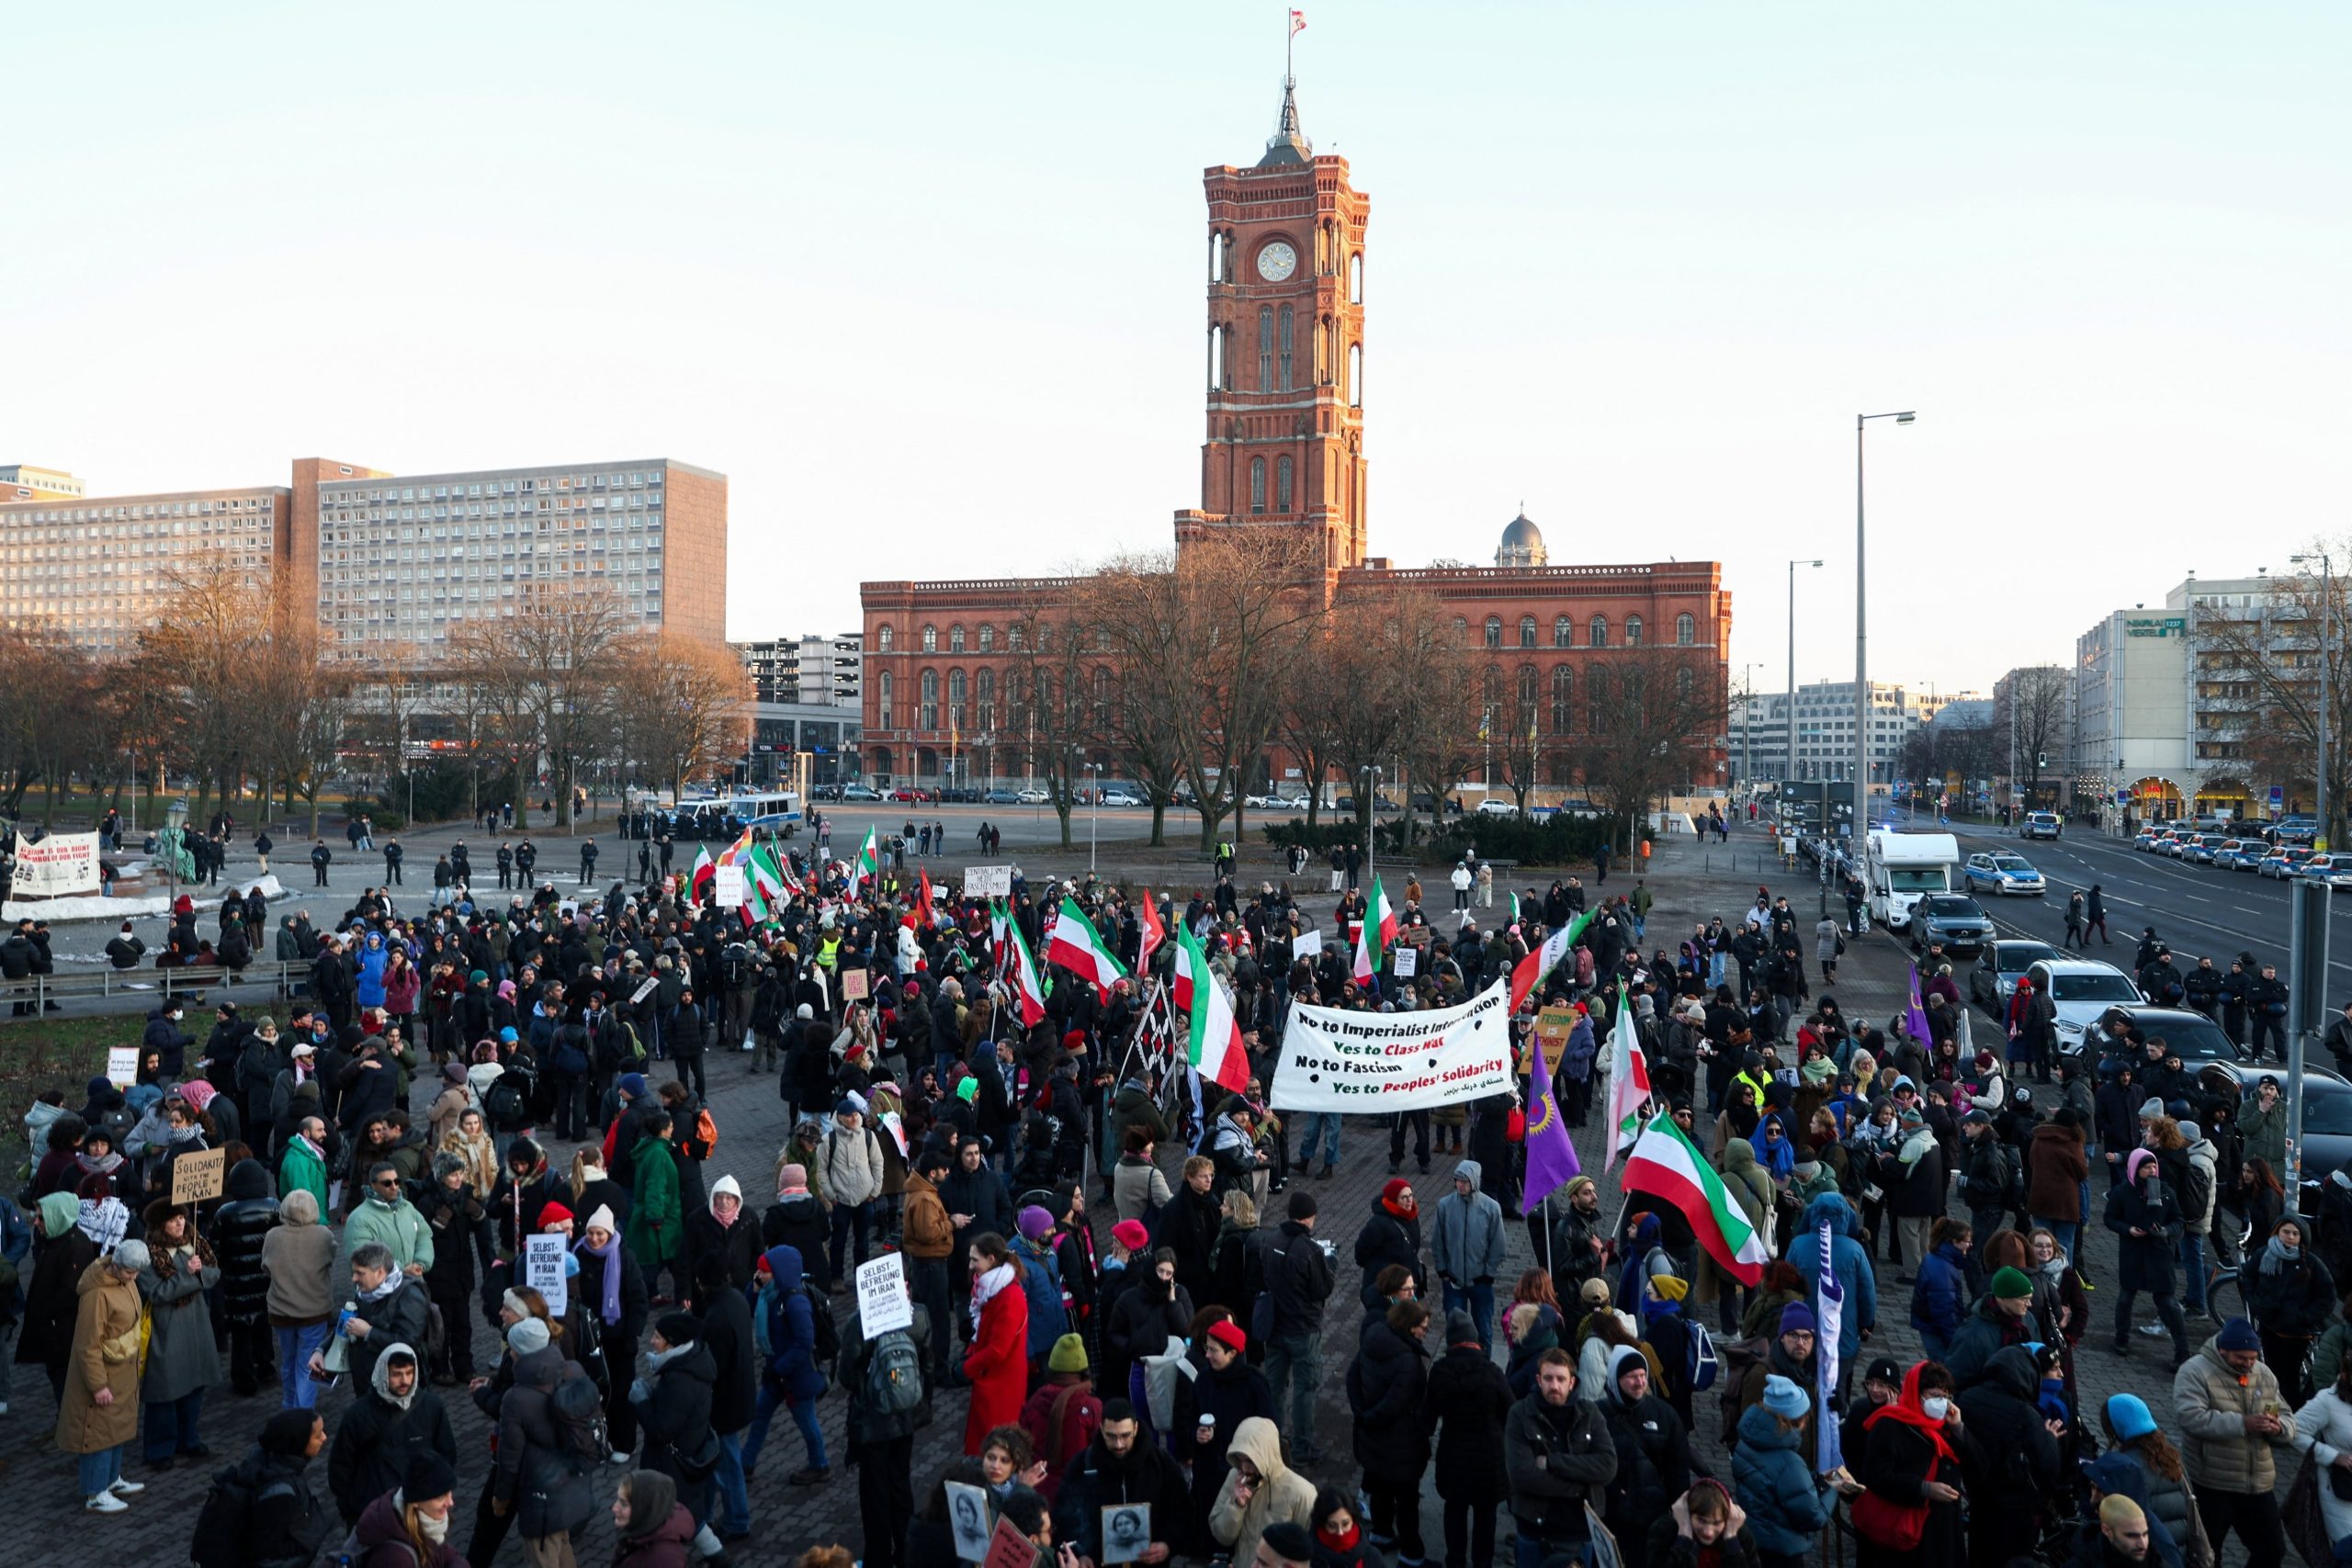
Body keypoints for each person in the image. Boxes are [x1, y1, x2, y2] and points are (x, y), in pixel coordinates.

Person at [2175, 1316, 2296, 1568]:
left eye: (2253, 1358)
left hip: (2257, 1483)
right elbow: (2191, 1418)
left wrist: (2279, 1428)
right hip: (2212, 1482)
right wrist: (2243, 1424)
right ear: (2223, 1350)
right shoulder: (2195, 1371)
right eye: (2241, 1358)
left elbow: (2282, 1411)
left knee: (2273, 1550)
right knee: (2207, 1555)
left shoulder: (2263, 1373)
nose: (2249, 1364)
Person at [837, 1267, 934, 1568]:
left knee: (874, 1492)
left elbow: (846, 1375)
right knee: (900, 1483)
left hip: (872, 1422)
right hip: (906, 1417)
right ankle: (906, 1552)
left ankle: (878, 1558)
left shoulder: (860, 1322)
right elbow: (928, 1366)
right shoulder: (919, 1315)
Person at [490, 1316, 597, 1568]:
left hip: (539, 1492)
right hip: (571, 1480)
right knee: (562, 1546)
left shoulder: (516, 1399)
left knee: (543, 1555)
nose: (510, 1352)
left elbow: (509, 1458)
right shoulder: (573, 1370)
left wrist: (501, 1497)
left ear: (519, 1352)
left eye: (512, 1348)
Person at [631, 1312, 737, 1568]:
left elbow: (661, 1429)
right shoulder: (689, 1364)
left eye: (657, 1337)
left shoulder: (680, 1380)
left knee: (668, 1511)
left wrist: (642, 1402)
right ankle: (718, 1557)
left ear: (672, 1343)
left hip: (671, 1462)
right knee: (686, 1510)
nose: (652, 1341)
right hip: (686, 1453)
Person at [1053, 1396, 1199, 1565]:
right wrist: (1080, 1554)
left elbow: (1183, 1512)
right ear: (1101, 1429)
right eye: (1111, 1436)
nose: (1119, 1444)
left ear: (1135, 1428)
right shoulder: (1082, 1466)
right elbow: (1065, 1519)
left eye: (1125, 1436)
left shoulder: (1160, 1464)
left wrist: (1168, 1545)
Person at [1505, 1349, 1616, 1568]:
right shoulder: (1521, 1414)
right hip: (1536, 1530)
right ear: (1539, 1380)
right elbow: (1522, 1475)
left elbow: (1607, 1466)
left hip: (1580, 1531)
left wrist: (1552, 1462)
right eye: (1548, 1378)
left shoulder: (1590, 1414)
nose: (1554, 1385)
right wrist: (1581, 1486)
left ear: (1571, 1382)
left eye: (1561, 1379)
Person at [61, 1238, 149, 1513]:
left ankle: (111, 1479)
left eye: (136, 1273)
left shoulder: (124, 1281)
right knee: (98, 1432)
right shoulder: (97, 1295)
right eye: (130, 1272)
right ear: (117, 1266)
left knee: (116, 1428)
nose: (134, 1278)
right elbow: (87, 1345)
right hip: (104, 1375)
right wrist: (98, 1384)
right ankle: (95, 1492)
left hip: (121, 1373)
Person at [1423, 1303, 1513, 1568]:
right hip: (1489, 1458)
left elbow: (1427, 1418)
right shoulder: (1492, 1372)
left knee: (1454, 1511)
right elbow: (1510, 1410)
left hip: (1454, 1456)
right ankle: (1482, 1562)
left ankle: (1455, 1561)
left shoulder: (1440, 1372)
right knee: (1486, 1514)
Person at [326, 1344, 458, 1526]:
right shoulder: (358, 1414)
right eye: (396, 1374)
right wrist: (352, 1508)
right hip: (376, 1514)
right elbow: (340, 1467)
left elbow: (446, 1455)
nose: (405, 1381)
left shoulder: (431, 1406)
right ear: (383, 1373)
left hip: (420, 1511)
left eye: (409, 1373)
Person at [137, 1199, 222, 1470]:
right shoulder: (148, 1255)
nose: (180, 1223)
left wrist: (199, 1272)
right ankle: (159, 1449)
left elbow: (213, 1273)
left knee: (194, 1387)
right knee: (165, 1393)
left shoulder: (194, 1243)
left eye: (182, 1218)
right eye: (173, 1220)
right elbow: (157, 1293)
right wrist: (188, 1276)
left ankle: (188, 1438)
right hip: (167, 1330)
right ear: (160, 1225)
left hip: (196, 1327)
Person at [1350, 1298, 1433, 1566]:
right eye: (1422, 1327)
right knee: (1407, 1500)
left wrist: (1362, 1414)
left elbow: (1352, 1377)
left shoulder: (1372, 1340)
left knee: (1380, 1488)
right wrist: (1372, 1417)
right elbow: (1396, 1403)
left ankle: (1381, 1534)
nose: (1425, 1333)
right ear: (1409, 1327)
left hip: (1372, 1437)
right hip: (1401, 1442)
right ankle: (1411, 1554)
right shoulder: (1408, 1361)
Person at [1602, 1345, 1695, 1568]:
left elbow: (1678, 1468)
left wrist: (1678, 1515)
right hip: (1612, 1519)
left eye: (1643, 1375)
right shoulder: (1597, 1415)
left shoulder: (1665, 1414)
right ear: (1615, 1379)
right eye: (1632, 1377)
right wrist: (1610, 1489)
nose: (1640, 1382)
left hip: (1654, 1520)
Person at [204, 1407, 334, 1568]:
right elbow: (266, 1552)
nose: (324, 1438)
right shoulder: (280, 1492)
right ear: (298, 1442)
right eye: (317, 1435)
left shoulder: (270, 1459)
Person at [746, 1243, 831, 1486]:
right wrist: (753, 1289)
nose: (758, 1275)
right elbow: (747, 1306)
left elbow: (804, 1342)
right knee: (760, 1416)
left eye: (763, 1271)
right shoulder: (769, 1294)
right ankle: (746, 1463)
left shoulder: (795, 1302)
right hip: (777, 1373)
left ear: (778, 1273)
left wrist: (779, 1369)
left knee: (806, 1421)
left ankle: (820, 1465)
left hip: (796, 1376)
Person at [1733, 1375, 1836, 1568]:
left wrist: (1815, 1480)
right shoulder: (1790, 1463)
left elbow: (1772, 1480)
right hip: (1782, 1549)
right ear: (1796, 1419)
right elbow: (1812, 1517)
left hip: (1752, 1537)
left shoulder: (1746, 1440)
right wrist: (1832, 1489)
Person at [1262, 1190, 1335, 1459]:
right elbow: (1322, 1289)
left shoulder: (1270, 1240)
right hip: (1303, 1330)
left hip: (1275, 1326)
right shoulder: (1310, 1250)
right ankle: (1302, 1447)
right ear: (1308, 1218)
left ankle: (1271, 1443)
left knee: (1274, 1387)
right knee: (1305, 1389)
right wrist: (1331, 1265)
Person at [2109, 1148, 2190, 1364]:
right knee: (2126, 1297)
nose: (2152, 1170)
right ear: (2135, 1169)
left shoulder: (2166, 1192)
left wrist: (2165, 1231)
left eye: (2154, 1166)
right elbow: (2110, 1218)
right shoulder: (2122, 1192)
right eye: (2146, 1167)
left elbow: (2178, 1220)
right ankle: (2121, 1338)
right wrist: (2128, 1229)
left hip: (2159, 1253)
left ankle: (2182, 1350)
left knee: (2167, 1302)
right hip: (2133, 1252)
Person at [1208, 1415, 1317, 1568]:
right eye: (1240, 1459)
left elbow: (1312, 1554)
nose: (1244, 1468)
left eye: (1250, 1461)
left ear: (1267, 1455)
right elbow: (1221, 1535)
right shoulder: (1235, 1476)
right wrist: (1236, 1505)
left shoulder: (1302, 1494)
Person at [2246, 1214, 2335, 1404]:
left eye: (2295, 1233)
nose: (2290, 1237)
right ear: (2277, 1232)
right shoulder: (2264, 1254)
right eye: (2286, 1232)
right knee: (2272, 1376)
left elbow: (2328, 1297)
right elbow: (2248, 1276)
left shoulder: (2311, 1263)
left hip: (2297, 1333)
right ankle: (2273, 1414)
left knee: (2289, 1381)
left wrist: (2304, 1317)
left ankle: (2291, 1415)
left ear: (2302, 1237)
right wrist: (2256, 1303)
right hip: (2270, 1326)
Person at [1432, 1161, 1507, 1353]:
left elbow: (1498, 1245)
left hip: (1481, 1282)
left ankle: (1485, 1364)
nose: (1460, 1185)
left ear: (1474, 1182)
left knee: (1484, 1331)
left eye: (1465, 1181)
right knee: (1455, 1332)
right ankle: (1456, 1365)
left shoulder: (1491, 1208)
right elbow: (1438, 1241)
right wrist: (1442, 1270)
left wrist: (1489, 1273)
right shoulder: (1445, 1205)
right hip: (1453, 1281)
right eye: (1458, 1180)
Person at [349, 1452, 466, 1568]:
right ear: (416, 1502)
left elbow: (448, 1554)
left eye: (449, 1493)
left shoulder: (427, 1522)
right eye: (440, 1497)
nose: (450, 1502)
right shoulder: (393, 1558)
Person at [1646, 1479, 1759, 1568]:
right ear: (1689, 1514)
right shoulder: (1665, 1530)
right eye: (1701, 1520)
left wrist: (1731, 1542)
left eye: (1717, 1523)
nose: (1708, 1532)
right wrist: (1684, 1535)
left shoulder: (1741, 1535)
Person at [609, 1469, 698, 1568]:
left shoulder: (664, 1559)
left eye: (624, 1503)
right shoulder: (636, 1530)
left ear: (645, 1508)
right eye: (618, 1499)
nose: (614, 1508)